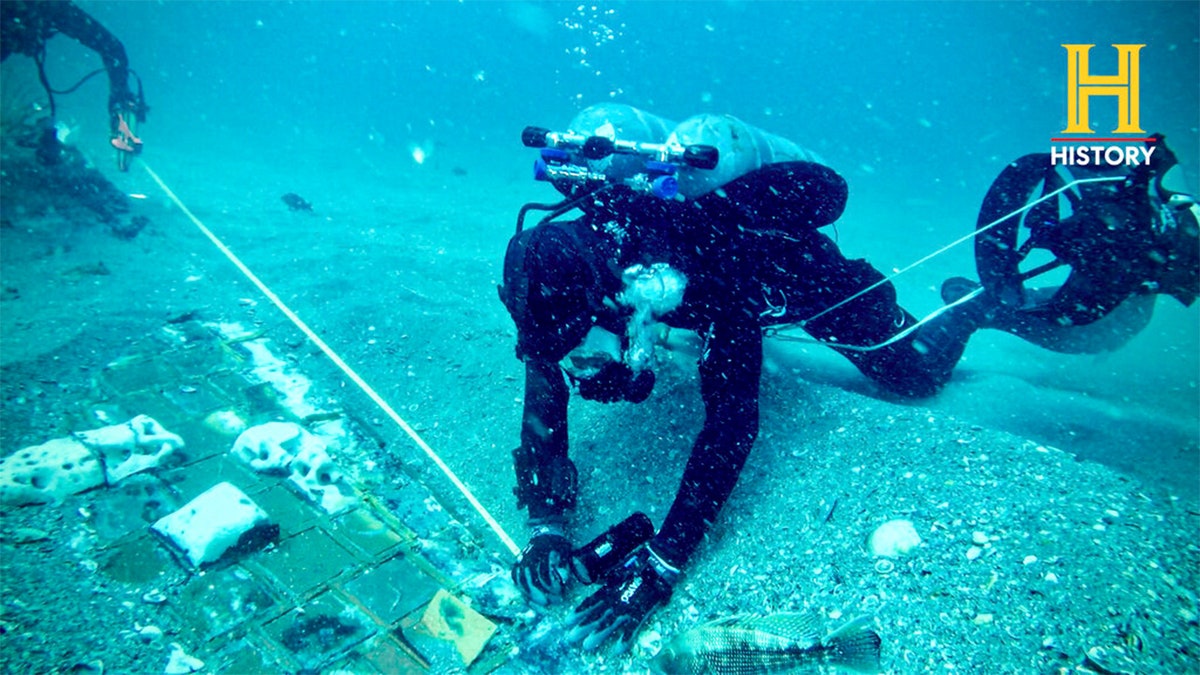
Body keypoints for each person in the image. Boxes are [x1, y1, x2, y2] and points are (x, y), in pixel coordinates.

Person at [497, 104, 1196, 652]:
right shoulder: (565, 266)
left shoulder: (706, 253)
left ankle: (979, 306)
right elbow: (544, 376)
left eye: (583, 346)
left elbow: (733, 414)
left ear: (614, 296)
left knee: (915, 373)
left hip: (803, 278)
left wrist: (666, 556)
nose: (576, 363)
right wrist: (546, 526)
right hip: (693, 295)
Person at [1, 0, 146, 166]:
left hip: (37, 14)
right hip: (28, 16)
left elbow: (111, 48)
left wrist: (120, 104)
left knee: (112, 49)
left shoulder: (50, 9)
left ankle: (120, 112)